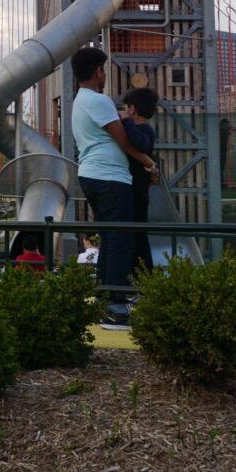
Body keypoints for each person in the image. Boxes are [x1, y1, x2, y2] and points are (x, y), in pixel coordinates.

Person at [71, 46, 157, 328]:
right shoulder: (99, 101)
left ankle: (106, 301)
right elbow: (125, 141)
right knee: (121, 238)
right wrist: (150, 164)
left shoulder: (79, 100)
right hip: (110, 178)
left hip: (91, 175)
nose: (104, 74)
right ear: (98, 72)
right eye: (103, 70)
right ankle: (117, 308)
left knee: (110, 238)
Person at [120, 87, 159, 277]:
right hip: (135, 187)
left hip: (138, 189)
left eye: (127, 108)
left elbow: (141, 143)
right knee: (135, 233)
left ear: (132, 109)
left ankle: (144, 276)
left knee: (138, 234)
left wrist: (126, 121)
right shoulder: (140, 129)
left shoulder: (145, 131)